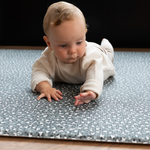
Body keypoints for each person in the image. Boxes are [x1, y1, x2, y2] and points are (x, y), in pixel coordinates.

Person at [31, 1, 115, 106]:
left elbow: (95, 76)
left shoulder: (92, 57)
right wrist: (45, 87)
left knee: (107, 54)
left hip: (102, 62)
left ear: (85, 35)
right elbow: (38, 71)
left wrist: (91, 92)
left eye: (79, 42)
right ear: (49, 43)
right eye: (63, 45)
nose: (73, 50)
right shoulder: (48, 57)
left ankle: (106, 45)